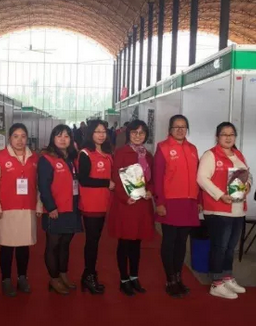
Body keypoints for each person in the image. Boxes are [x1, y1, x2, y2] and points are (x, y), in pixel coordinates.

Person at [0, 123, 42, 297]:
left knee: (23, 246)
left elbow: (40, 184)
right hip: (6, 209)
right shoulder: (1, 157)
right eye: (16, 136)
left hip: (27, 208)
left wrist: (39, 204)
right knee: (7, 246)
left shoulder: (34, 158)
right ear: (10, 138)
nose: (20, 140)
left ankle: (22, 277)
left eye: (23, 136)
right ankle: (5, 279)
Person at [197, 122, 251, 300]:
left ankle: (227, 276)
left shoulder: (238, 155)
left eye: (231, 134)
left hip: (237, 209)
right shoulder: (210, 155)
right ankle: (216, 283)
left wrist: (248, 185)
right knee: (219, 247)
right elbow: (202, 178)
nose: (228, 137)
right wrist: (220, 195)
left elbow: (247, 175)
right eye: (224, 134)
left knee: (230, 247)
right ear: (217, 137)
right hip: (218, 210)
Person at [154, 115, 201, 298]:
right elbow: (158, 177)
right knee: (169, 241)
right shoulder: (163, 147)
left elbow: (197, 176)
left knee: (182, 242)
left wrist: (199, 200)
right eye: (176, 127)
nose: (180, 130)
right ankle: (170, 279)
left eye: (183, 127)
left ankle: (179, 276)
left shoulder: (192, 148)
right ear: (170, 129)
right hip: (170, 202)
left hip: (189, 202)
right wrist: (159, 202)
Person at [108, 120, 155, 297]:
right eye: (134, 132)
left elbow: (152, 179)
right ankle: (124, 279)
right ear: (128, 134)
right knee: (125, 242)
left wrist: (150, 191)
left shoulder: (147, 155)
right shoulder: (121, 152)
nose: (138, 136)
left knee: (137, 242)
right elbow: (116, 177)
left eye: (141, 133)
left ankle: (134, 276)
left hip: (142, 204)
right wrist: (124, 197)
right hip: (126, 205)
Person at [38, 124, 83, 295]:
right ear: (53, 138)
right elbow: (43, 186)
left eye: (66, 136)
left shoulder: (72, 158)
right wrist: (51, 207)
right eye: (59, 136)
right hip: (56, 210)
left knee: (65, 244)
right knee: (53, 245)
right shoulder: (47, 159)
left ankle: (63, 274)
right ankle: (54, 278)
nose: (63, 139)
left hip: (72, 208)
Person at [77, 119, 114, 294]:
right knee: (92, 241)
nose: (101, 135)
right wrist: (106, 183)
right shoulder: (85, 153)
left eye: (103, 131)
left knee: (96, 240)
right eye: (97, 131)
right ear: (90, 133)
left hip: (104, 203)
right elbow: (84, 180)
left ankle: (88, 274)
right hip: (91, 204)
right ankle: (89, 275)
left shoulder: (107, 153)